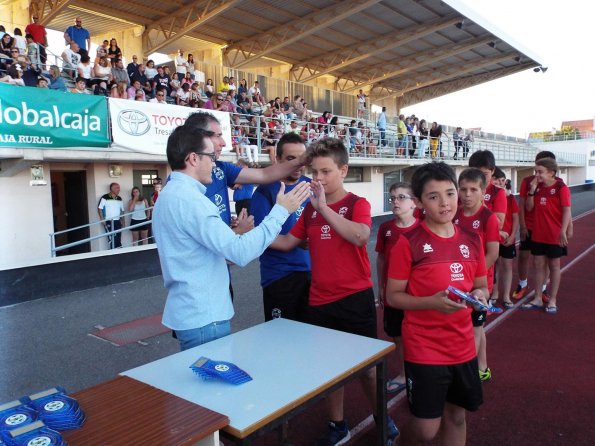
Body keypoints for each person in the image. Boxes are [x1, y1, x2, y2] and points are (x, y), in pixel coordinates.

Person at [270, 138, 399, 446]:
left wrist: (324, 209)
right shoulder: (311, 210)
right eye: (314, 172)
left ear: (343, 170)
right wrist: (255, 234)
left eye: (326, 172)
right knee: (330, 371)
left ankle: (383, 417)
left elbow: (359, 236)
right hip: (320, 300)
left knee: (368, 371)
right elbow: (288, 242)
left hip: (354, 299)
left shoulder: (357, 204)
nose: (318, 179)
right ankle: (336, 424)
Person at [151, 125, 310, 351]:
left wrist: (237, 235)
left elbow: (210, 254)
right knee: (213, 384)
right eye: (210, 156)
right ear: (193, 158)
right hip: (204, 317)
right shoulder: (191, 202)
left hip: (194, 314)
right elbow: (240, 252)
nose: (214, 163)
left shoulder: (170, 195)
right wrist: (281, 210)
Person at [386, 162, 487, 446]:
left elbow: (480, 285)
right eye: (433, 196)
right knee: (427, 427)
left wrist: (480, 297)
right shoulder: (408, 243)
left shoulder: (472, 239)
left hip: (463, 345)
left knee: (456, 416)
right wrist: (431, 302)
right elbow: (393, 296)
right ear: (419, 202)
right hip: (424, 348)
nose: (445, 203)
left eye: (450, 193)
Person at [183, 112, 309, 228]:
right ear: (200, 138)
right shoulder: (182, 193)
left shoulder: (222, 168)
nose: (224, 143)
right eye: (218, 136)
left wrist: (229, 226)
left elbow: (264, 174)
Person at [251, 133, 311, 322]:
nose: (297, 164)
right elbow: (259, 235)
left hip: (312, 275)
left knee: (312, 338)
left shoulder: (312, 186)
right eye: (291, 159)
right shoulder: (264, 191)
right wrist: (295, 241)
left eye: (302, 159)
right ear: (278, 160)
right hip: (279, 277)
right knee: (281, 341)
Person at [454, 168, 500, 383]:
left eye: (473, 189)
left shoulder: (488, 218)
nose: (467, 194)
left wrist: (473, 281)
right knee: (466, 328)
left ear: (483, 192)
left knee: (475, 328)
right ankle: (481, 365)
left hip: (479, 286)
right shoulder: (453, 214)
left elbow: (493, 253)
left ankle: (473, 370)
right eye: (463, 189)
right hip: (456, 283)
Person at [376, 182, 418, 395]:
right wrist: (381, 288)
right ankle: (403, 373)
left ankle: (420, 372)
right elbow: (381, 259)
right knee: (398, 335)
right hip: (394, 294)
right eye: (392, 198)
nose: (395, 202)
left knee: (417, 335)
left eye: (401, 197)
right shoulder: (386, 229)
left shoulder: (423, 227)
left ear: (414, 203)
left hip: (417, 296)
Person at [521, 157, 572, 314]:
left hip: (554, 235)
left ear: (551, 173)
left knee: (554, 266)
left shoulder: (561, 188)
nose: (537, 175)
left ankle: (552, 299)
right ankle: (537, 297)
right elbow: (529, 208)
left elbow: (566, 211)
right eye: (536, 171)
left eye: (540, 172)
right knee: (538, 266)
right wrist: (532, 190)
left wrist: (563, 230)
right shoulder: (537, 187)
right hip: (538, 233)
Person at [513, 151, 559, 300]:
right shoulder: (527, 181)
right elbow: (522, 206)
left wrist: (566, 227)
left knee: (543, 261)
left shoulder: (557, 183)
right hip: (530, 226)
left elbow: (564, 208)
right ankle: (522, 283)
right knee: (524, 256)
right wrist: (523, 226)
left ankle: (543, 288)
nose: (539, 171)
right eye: (538, 166)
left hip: (546, 228)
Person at [491, 179, 518, 309]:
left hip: (507, 238)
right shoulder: (490, 197)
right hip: (493, 238)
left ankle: (506, 295)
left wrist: (513, 236)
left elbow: (515, 218)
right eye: (496, 181)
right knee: (494, 266)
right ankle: (495, 293)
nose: (499, 184)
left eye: (502, 181)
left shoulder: (511, 199)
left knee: (507, 266)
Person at [98, 183, 125, 249]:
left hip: (118, 221)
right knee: (112, 239)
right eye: (117, 188)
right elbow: (100, 208)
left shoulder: (119, 198)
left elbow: (122, 210)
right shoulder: (105, 197)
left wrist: (123, 220)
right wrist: (102, 219)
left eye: (119, 188)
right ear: (112, 189)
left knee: (118, 237)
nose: (119, 189)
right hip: (109, 221)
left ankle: (119, 253)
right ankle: (113, 253)